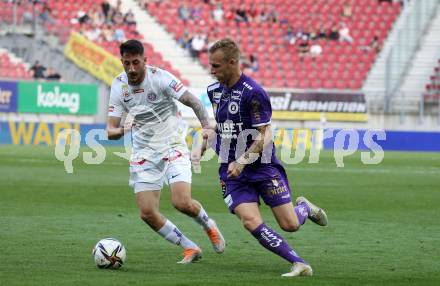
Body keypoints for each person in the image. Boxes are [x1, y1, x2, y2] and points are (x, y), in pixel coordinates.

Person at [194, 38, 328, 277]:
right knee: (249, 220)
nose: (211, 71)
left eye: (216, 66)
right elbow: (222, 125)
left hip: (262, 166)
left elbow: (265, 136)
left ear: (232, 62)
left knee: (290, 225)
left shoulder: (254, 93)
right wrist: (204, 142)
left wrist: (243, 160)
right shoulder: (214, 91)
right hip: (231, 170)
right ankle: (298, 263)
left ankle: (304, 208)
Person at [106, 39, 225, 264]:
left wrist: (207, 127)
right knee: (147, 213)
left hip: (172, 144)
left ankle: (208, 224)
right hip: (143, 153)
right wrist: (123, 129)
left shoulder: (161, 78)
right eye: (126, 63)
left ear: (145, 61)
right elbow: (110, 130)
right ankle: (190, 247)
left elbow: (193, 102)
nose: (131, 69)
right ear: (121, 62)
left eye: (135, 63)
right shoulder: (118, 85)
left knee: (181, 202)